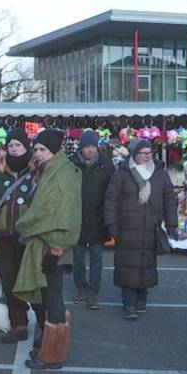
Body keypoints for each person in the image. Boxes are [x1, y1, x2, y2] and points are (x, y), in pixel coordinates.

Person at [11, 129, 81, 369]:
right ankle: (46, 346)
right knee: (45, 299)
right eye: (36, 149)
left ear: (54, 151)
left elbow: (67, 214)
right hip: (43, 244)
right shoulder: (47, 171)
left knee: (53, 300)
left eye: (42, 150)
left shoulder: (63, 175)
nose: (37, 153)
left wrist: (57, 248)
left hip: (54, 246)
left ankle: (53, 355)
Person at [104, 138, 177, 320]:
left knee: (146, 264)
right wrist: (111, 224)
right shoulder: (122, 173)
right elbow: (111, 200)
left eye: (149, 153)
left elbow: (169, 199)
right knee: (128, 265)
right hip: (127, 228)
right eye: (142, 153)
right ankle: (128, 303)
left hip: (150, 228)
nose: (146, 156)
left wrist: (171, 224)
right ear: (134, 154)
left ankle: (142, 297)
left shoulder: (160, 174)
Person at [0, 128, 39, 343]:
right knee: (9, 280)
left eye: (19, 145)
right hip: (4, 233)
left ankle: (43, 324)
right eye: (11, 146)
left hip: (28, 234)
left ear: (26, 147)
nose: (15, 149)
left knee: (32, 280)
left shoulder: (36, 170)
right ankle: (20, 325)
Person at [71, 130, 115, 309]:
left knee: (97, 258)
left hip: (98, 218)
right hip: (77, 218)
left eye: (93, 146)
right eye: (86, 146)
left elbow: (112, 192)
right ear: (81, 147)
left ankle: (94, 292)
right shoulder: (71, 164)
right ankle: (81, 288)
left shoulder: (106, 164)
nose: (90, 150)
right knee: (78, 258)